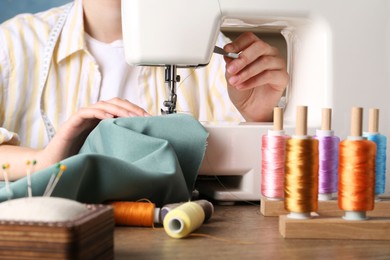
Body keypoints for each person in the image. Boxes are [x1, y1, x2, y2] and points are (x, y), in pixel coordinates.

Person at [0, 0, 288, 179]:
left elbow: (262, 168)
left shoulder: (209, 48)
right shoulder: (12, 45)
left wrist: (257, 119)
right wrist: (44, 160)